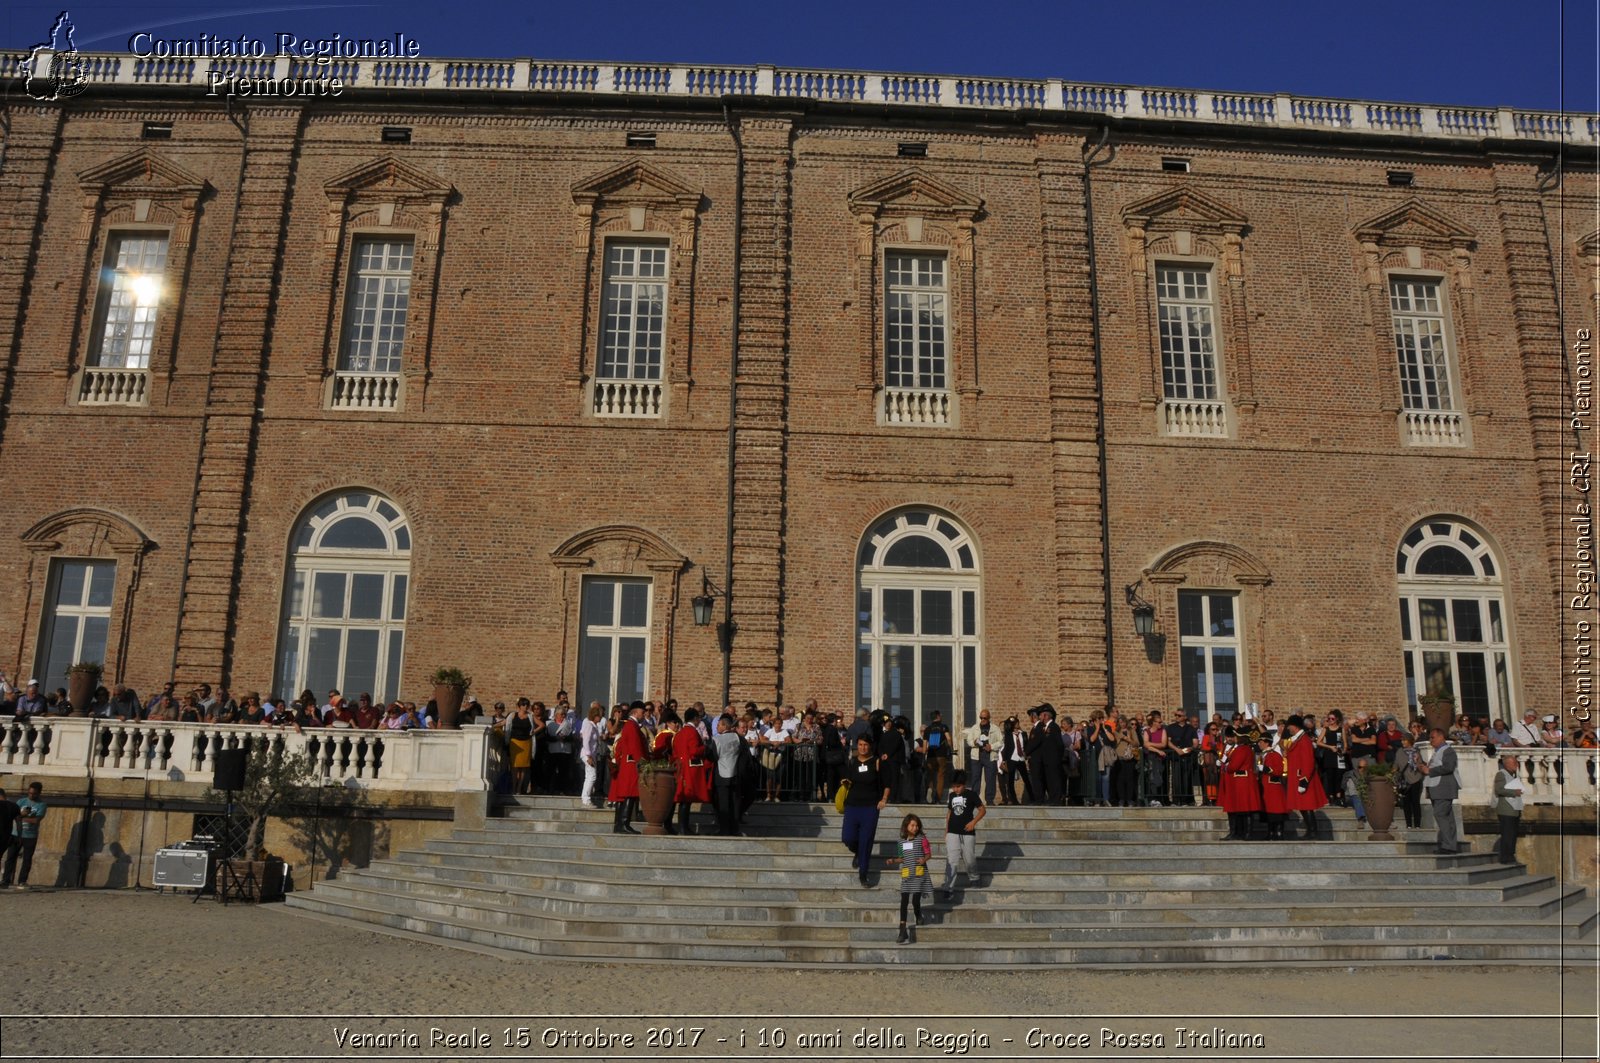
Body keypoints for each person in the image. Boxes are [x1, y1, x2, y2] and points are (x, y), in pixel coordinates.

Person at [840, 735, 889, 888]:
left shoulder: (877, 762)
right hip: (852, 806)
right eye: (860, 744)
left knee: (866, 840)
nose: (863, 748)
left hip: (870, 807)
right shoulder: (852, 762)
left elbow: (887, 782)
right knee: (847, 837)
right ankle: (858, 852)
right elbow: (847, 780)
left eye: (866, 745)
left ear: (870, 746)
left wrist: (884, 799)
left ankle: (863, 874)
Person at [883, 813, 932, 945]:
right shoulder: (901, 842)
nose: (915, 828)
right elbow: (902, 858)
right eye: (912, 825)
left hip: (918, 874)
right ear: (906, 826)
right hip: (906, 874)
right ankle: (902, 929)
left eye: (917, 825)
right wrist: (893, 860)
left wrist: (924, 859)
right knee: (904, 901)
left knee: (915, 899)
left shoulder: (922, 839)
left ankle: (918, 914)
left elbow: (928, 854)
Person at [937, 769, 984, 897]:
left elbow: (982, 810)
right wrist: (946, 830)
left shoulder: (972, 795)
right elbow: (949, 813)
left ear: (964, 784)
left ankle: (974, 878)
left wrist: (973, 823)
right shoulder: (951, 796)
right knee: (952, 860)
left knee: (969, 858)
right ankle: (948, 888)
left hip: (967, 833)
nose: (956, 789)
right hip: (952, 832)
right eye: (953, 786)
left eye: (958, 786)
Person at [1282, 714, 1328, 839]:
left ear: (1295, 726)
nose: (1288, 729)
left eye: (1290, 726)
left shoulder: (1304, 740)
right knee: (1303, 806)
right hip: (1298, 776)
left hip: (1302, 778)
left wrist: (1304, 779)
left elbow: (1308, 761)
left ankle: (1313, 831)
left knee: (1306, 805)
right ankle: (1310, 831)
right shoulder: (1298, 739)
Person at [1418, 726, 1460, 854]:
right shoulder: (1438, 752)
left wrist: (1429, 770)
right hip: (1437, 787)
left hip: (1444, 787)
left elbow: (1448, 767)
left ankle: (1448, 845)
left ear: (1441, 737)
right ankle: (1450, 844)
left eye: (1433, 737)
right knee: (1447, 816)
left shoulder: (1448, 751)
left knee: (1441, 814)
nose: (1431, 740)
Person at [672, 707, 712, 835]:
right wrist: (704, 748)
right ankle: (683, 828)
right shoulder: (692, 732)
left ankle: (683, 827)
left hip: (681, 767)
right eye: (699, 718)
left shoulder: (680, 733)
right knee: (686, 799)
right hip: (690, 768)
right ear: (695, 719)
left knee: (684, 798)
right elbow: (694, 751)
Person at [608, 703, 646, 834]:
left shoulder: (630, 725)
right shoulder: (632, 725)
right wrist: (642, 762)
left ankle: (619, 824)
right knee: (630, 794)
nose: (644, 714)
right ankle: (624, 823)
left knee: (626, 795)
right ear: (635, 712)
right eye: (642, 711)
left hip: (629, 762)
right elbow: (635, 747)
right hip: (632, 764)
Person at [1, 782, 46, 890]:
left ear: (39, 793)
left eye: (34, 794)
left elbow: (36, 820)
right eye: (29, 793)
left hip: (30, 835)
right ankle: (5, 880)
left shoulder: (42, 805)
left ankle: (22, 881)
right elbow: (14, 814)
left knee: (27, 859)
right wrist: (20, 816)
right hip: (16, 833)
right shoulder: (21, 801)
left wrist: (21, 817)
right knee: (10, 858)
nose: (31, 795)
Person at [1219, 726, 1261, 839]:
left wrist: (1226, 766)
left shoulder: (1242, 749)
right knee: (1241, 808)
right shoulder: (1244, 749)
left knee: (1243, 808)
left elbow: (1233, 766)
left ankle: (1242, 833)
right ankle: (1242, 833)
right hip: (1239, 781)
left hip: (1240, 782)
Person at [1027, 704, 1065, 805]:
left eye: (1041, 715)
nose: (1039, 717)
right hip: (1046, 760)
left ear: (1046, 716)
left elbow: (1060, 744)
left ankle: (1056, 800)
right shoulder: (1045, 728)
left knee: (1054, 780)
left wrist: (1057, 757)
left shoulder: (1054, 727)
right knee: (1049, 780)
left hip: (1053, 759)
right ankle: (1052, 799)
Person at [1492, 754, 1524, 865]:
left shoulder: (1513, 775)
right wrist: (1514, 792)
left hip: (1514, 808)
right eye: (1514, 763)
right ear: (1507, 764)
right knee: (1507, 833)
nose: (1516, 765)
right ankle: (1506, 856)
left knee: (1513, 833)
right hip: (1506, 809)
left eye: (1516, 763)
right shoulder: (1501, 774)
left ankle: (1510, 854)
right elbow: (1499, 790)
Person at [962, 709, 999, 805]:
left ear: (989, 718)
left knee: (990, 778)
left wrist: (991, 746)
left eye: (985, 718)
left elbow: (1001, 742)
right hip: (976, 755)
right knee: (975, 778)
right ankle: (974, 800)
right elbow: (969, 740)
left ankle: (989, 800)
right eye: (981, 718)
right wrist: (974, 742)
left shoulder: (995, 728)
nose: (982, 720)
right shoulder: (975, 728)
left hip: (990, 755)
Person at [1257, 733, 1288, 839]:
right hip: (1266, 787)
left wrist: (1266, 769)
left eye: (1261, 742)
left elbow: (1279, 771)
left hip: (1273, 788)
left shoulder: (1274, 755)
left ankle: (1279, 833)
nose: (1259, 744)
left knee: (1276, 812)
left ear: (1266, 743)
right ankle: (1270, 833)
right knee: (1269, 812)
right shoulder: (1263, 754)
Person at [923, 710, 953, 800]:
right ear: (938, 716)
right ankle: (938, 798)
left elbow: (924, 747)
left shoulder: (927, 729)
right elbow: (949, 739)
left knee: (931, 775)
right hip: (941, 755)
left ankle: (930, 789)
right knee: (940, 776)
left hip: (931, 755)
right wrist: (951, 749)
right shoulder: (943, 727)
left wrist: (924, 755)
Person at [579, 704, 605, 808]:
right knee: (592, 776)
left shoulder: (594, 726)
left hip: (592, 754)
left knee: (589, 776)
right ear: (595, 716)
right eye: (599, 716)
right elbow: (585, 741)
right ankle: (586, 799)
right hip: (587, 754)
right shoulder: (589, 725)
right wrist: (589, 756)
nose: (601, 717)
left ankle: (585, 797)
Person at [506, 700, 535, 796]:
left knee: (523, 768)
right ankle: (513, 787)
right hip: (515, 742)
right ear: (519, 706)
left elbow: (540, 725)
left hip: (526, 742)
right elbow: (507, 726)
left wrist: (533, 732)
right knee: (514, 766)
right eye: (523, 704)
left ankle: (519, 788)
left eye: (527, 704)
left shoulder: (530, 716)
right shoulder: (513, 715)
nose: (525, 706)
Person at [998, 716, 1027, 805]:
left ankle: (1012, 799)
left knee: (1009, 780)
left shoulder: (1020, 734)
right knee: (1001, 780)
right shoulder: (1003, 735)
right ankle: (1004, 798)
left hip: (1010, 759)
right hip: (1000, 758)